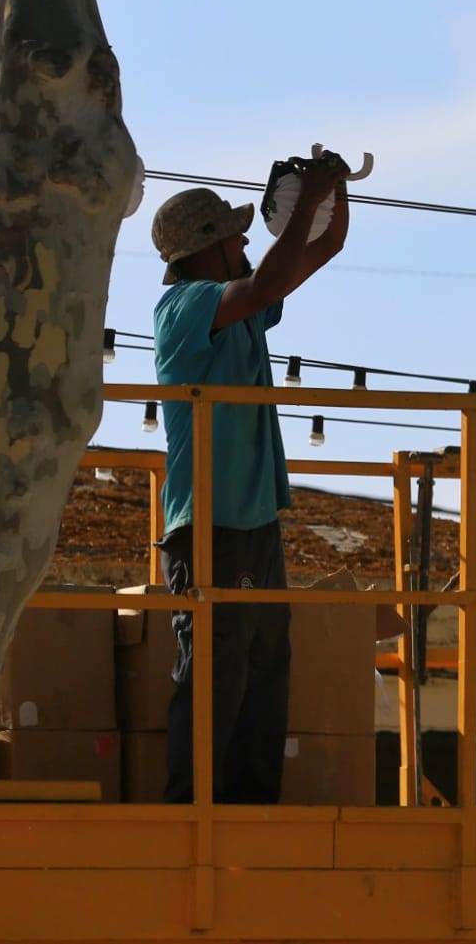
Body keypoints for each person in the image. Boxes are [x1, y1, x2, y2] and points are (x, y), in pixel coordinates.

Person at [149, 159, 348, 803]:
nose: (245, 244)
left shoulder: (234, 307)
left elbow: (325, 248)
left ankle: (251, 804)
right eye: (233, 238)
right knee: (216, 669)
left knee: (263, 666)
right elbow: (264, 286)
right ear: (205, 249)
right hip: (211, 520)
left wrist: (332, 195)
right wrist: (311, 192)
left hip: (249, 518)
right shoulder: (185, 305)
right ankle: (195, 808)